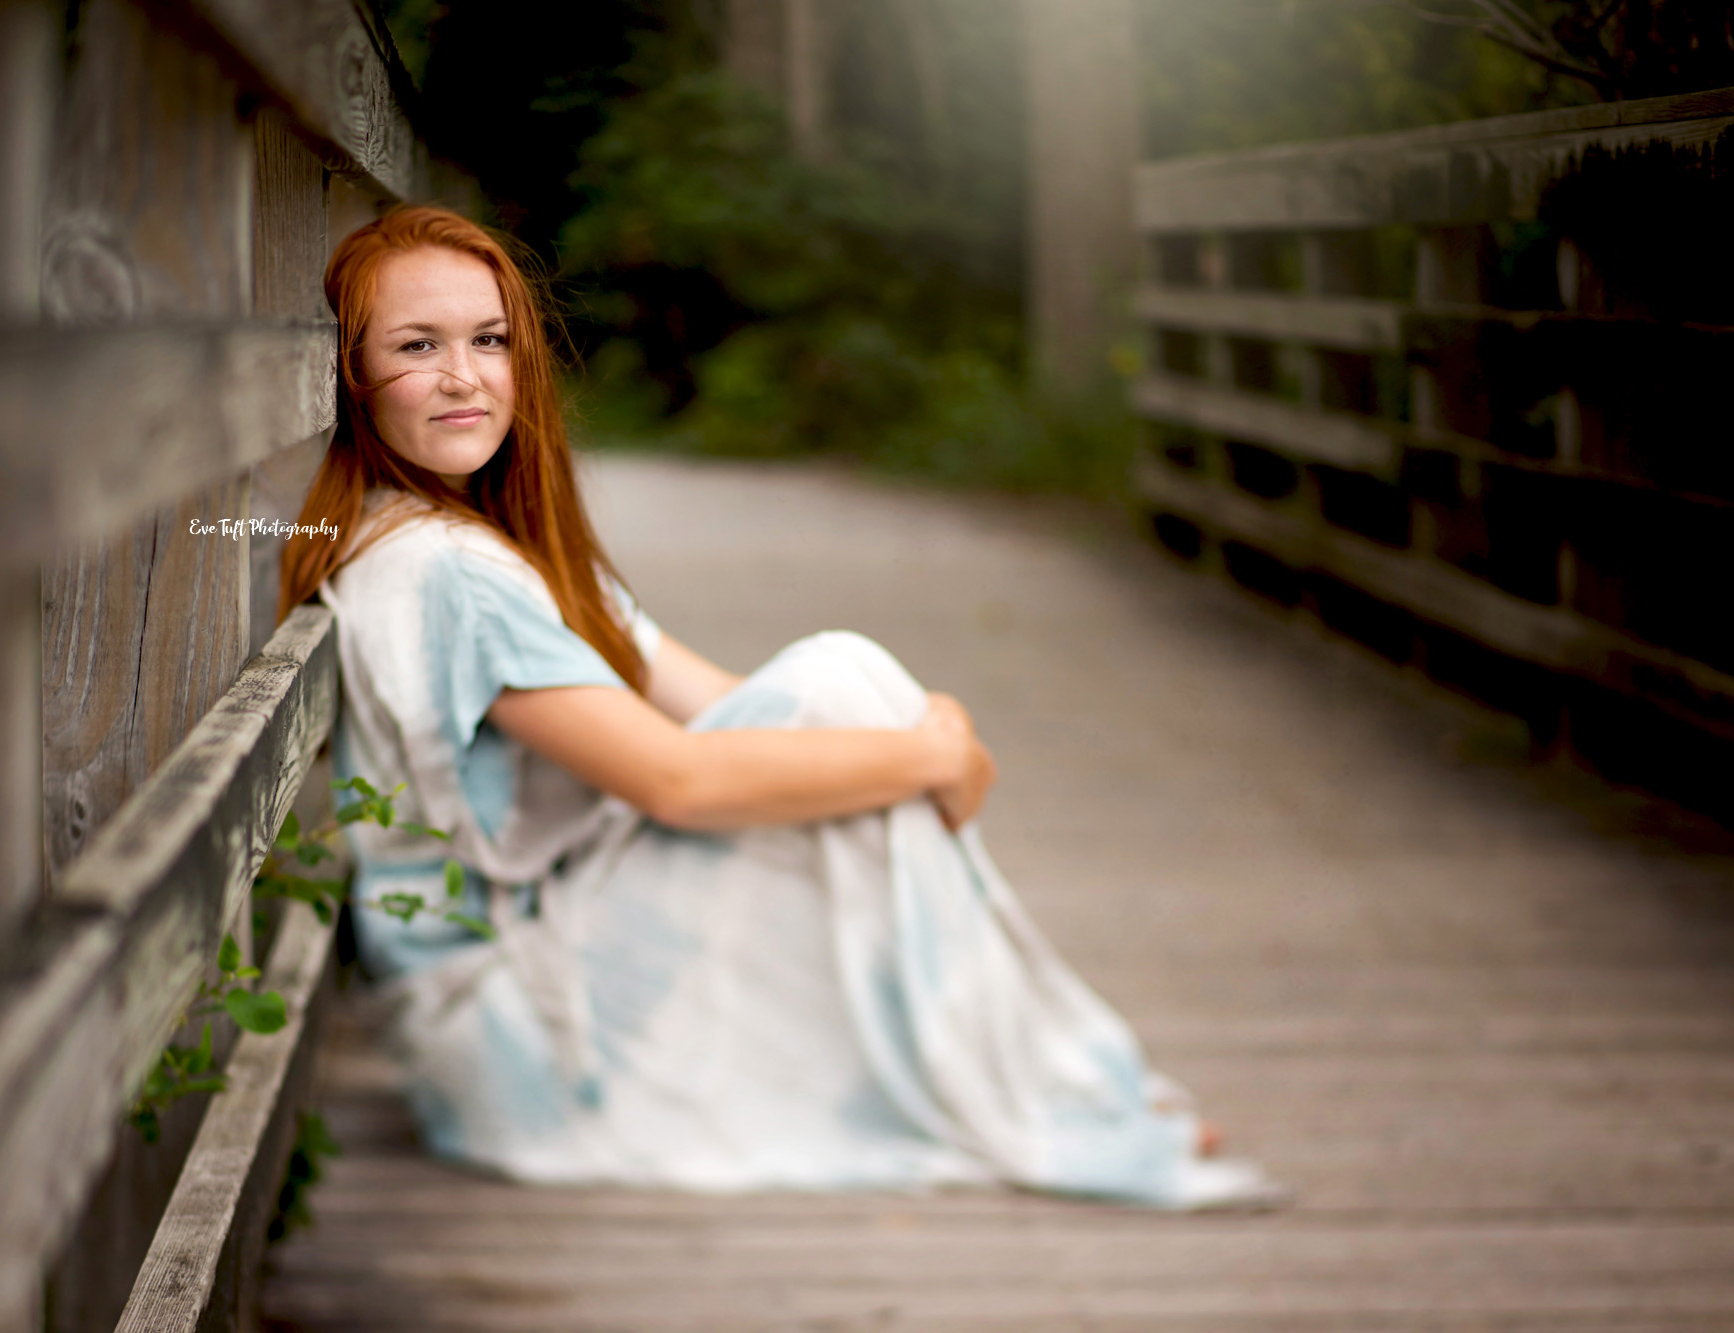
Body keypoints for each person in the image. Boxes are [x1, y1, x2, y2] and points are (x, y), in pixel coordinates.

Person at [278, 204, 1279, 1209]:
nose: (464, 376)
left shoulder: (472, 542)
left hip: (516, 990)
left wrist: (912, 732)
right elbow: (677, 781)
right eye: (417, 347)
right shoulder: (446, 571)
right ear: (351, 376)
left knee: (839, 690)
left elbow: (730, 708)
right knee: (842, 685)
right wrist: (930, 756)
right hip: (514, 1031)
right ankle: (1041, 1078)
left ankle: (1040, 1070)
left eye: (489, 340)